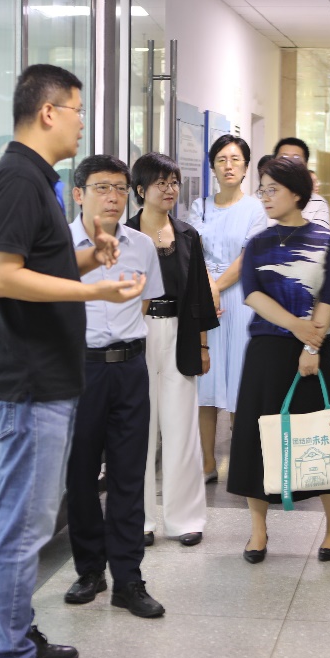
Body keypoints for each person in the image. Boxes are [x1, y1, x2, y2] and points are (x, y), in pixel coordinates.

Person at [0, 64, 146, 658]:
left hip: (43, 380)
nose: (81, 123)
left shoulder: (35, 180)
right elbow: (3, 277)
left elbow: (38, 268)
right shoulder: (18, 180)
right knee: (22, 530)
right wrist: (95, 292)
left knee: (28, 524)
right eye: (76, 110)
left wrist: (88, 259)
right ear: (48, 112)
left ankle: (18, 634)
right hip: (28, 383)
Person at [225, 157, 330, 564]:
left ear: (296, 193)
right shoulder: (257, 242)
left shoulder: (327, 241)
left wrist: (310, 347)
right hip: (266, 351)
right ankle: (258, 531)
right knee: (255, 440)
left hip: (311, 351)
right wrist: (296, 326)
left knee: (321, 440)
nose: (265, 197)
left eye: (272, 189)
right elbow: (251, 293)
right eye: (262, 189)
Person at [62, 155, 167, 620]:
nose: (113, 197)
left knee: (129, 474)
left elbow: (144, 303)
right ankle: (89, 571)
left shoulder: (141, 245)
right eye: (102, 187)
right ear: (78, 193)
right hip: (79, 371)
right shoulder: (59, 247)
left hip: (129, 370)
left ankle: (128, 579)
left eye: (121, 188)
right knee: (80, 474)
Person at [126, 152, 220, 548]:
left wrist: (202, 344)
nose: (169, 189)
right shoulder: (124, 235)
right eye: (161, 183)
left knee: (182, 428)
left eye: (174, 182)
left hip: (180, 333)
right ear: (140, 190)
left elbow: (198, 294)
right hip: (136, 334)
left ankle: (185, 519)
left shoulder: (186, 235)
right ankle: (140, 520)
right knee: (139, 429)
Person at [190, 135, 268, 481]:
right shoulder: (200, 207)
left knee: (240, 379)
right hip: (206, 296)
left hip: (241, 299)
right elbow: (194, 251)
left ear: (246, 167)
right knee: (205, 384)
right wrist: (209, 288)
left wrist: (217, 288)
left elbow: (248, 256)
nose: (229, 166)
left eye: (236, 159)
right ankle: (207, 462)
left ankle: (241, 462)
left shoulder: (256, 209)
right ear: (212, 167)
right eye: (221, 160)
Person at [275, 136, 330, 229]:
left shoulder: (318, 203)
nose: (289, 162)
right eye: (283, 157)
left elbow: (321, 236)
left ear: (305, 165)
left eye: (296, 158)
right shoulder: (259, 201)